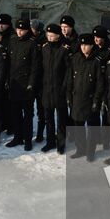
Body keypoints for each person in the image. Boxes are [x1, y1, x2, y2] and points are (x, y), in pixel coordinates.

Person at [4, 18, 42, 150]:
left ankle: (27, 140)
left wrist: (31, 84)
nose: (20, 32)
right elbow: (8, 63)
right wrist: (7, 80)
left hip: (26, 85)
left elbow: (35, 67)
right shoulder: (12, 41)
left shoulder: (32, 44)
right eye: (18, 29)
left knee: (27, 114)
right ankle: (17, 137)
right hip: (14, 84)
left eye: (23, 30)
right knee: (15, 113)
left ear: (28, 30)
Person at [66, 35, 105, 160]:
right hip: (77, 99)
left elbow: (100, 84)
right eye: (82, 45)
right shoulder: (75, 59)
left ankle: (90, 152)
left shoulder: (97, 61)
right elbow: (70, 80)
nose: (83, 47)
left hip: (91, 100)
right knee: (78, 126)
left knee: (92, 128)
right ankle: (80, 149)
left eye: (86, 45)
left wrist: (96, 101)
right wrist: (68, 96)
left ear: (92, 46)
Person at [39, 22, 70, 153]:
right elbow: (41, 68)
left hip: (59, 89)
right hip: (46, 89)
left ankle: (61, 143)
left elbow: (68, 71)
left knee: (61, 119)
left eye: (52, 36)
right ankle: (50, 141)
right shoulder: (44, 48)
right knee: (48, 118)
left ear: (58, 36)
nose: (50, 38)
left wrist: (64, 87)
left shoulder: (64, 49)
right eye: (48, 35)